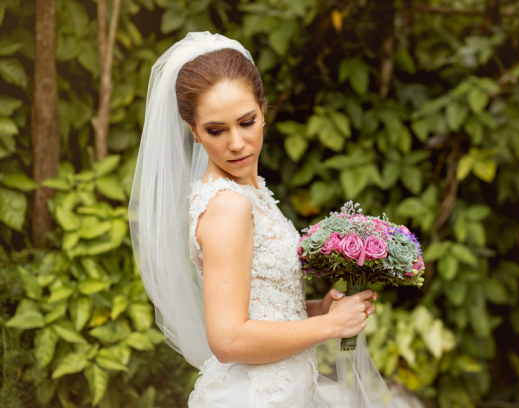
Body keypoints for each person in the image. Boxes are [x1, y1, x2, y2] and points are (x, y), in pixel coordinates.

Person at [129, 31, 403, 407]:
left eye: (246, 122)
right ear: (193, 131)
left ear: (263, 109)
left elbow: (258, 307)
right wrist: (329, 325)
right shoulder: (229, 206)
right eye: (215, 130)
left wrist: (316, 310)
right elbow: (228, 340)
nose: (237, 143)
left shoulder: (249, 193)